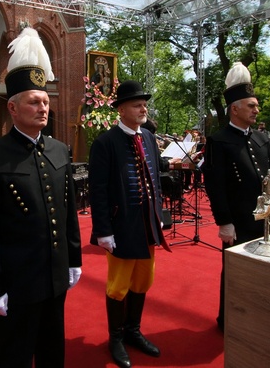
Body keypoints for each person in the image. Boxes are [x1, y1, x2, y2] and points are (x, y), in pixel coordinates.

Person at [0, 27, 82, 368]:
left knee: (52, 353)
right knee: (12, 357)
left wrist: (73, 259)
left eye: (46, 101)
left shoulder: (61, 151)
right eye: (34, 101)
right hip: (17, 284)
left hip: (55, 278)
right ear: (13, 109)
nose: (43, 107)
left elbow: (68, 213)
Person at [88, 80, 175, 368]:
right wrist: (103, 230)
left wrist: (159, 216)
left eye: (144, 104)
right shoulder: (104, 143)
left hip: (147, 226)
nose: (143, 108)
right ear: (121, 109)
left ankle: (133, 331)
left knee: (143, 280)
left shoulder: (148, 138)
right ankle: (116, 337)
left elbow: (156, 184)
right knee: (118, 286)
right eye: (137, 104)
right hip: (120, 227)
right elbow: (98, 190)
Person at [201, 62, 270, 332]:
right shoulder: (219, 141)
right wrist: (224, 221)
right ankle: (230, 321)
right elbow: (215, 185)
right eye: (251, 105)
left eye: (256, 105)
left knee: (268, 271)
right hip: (239, 221)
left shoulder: (261, 138)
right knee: (236, 274)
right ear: (235, 108)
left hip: (267, 220)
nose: (256, 110)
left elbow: (269, 180)